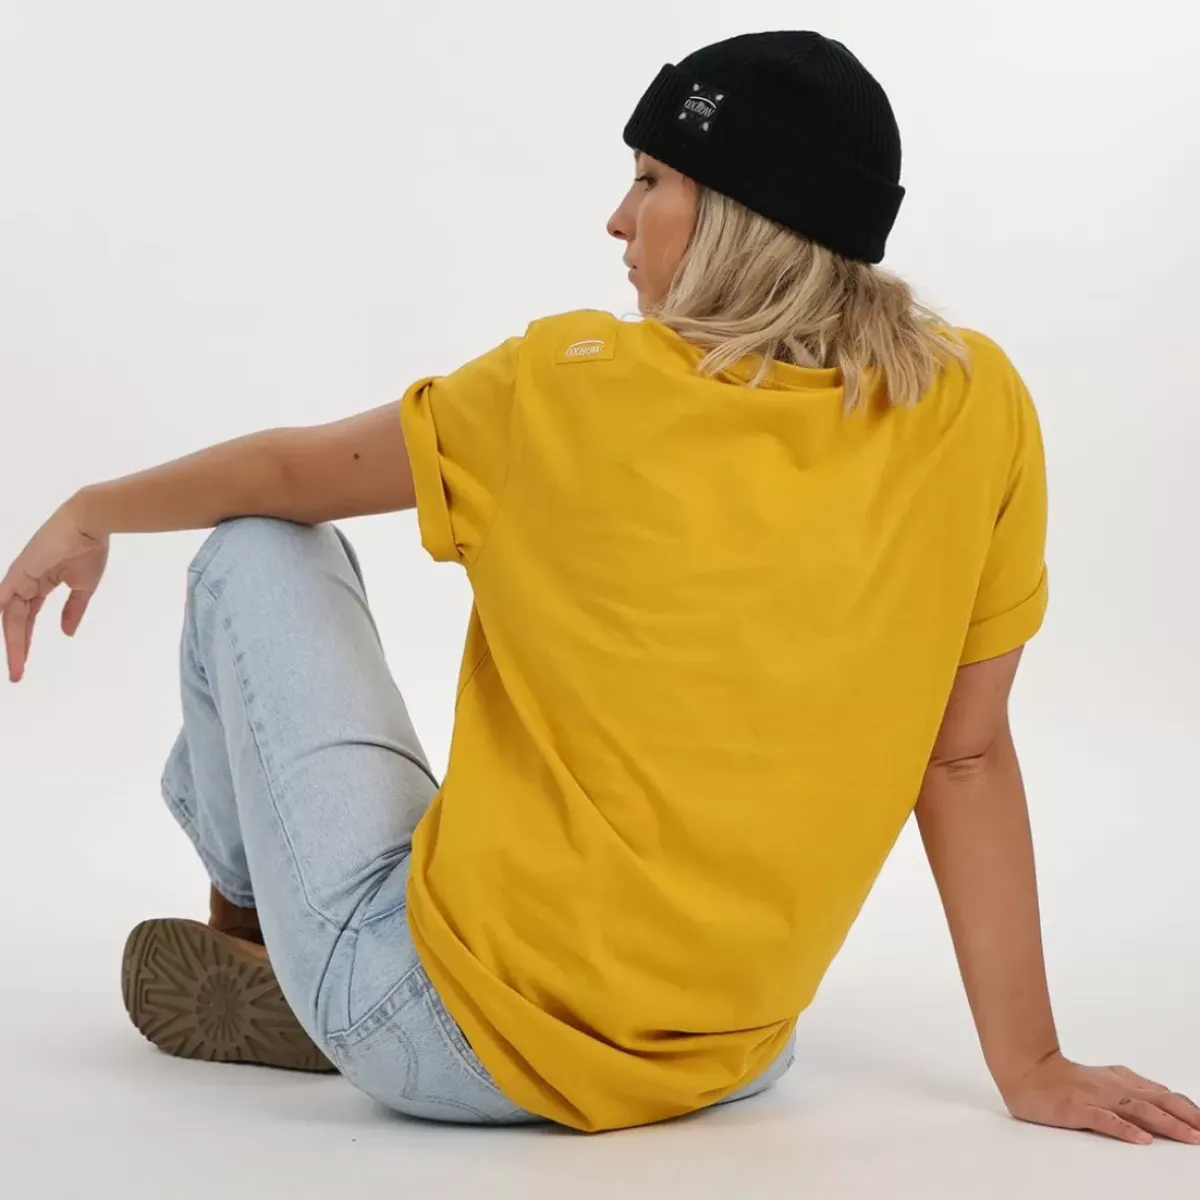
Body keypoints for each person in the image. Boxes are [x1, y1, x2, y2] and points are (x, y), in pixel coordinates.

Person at [2, 30, 1197, 1143]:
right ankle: (297, 959)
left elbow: (283, 474)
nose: (617, 218)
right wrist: (1033, 1062)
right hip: (730, 1056)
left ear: (738, 215)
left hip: (436, 1032)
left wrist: (91, 508)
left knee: (255, 550)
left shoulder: (567, 386)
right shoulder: (974, 406)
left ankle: (261, 934)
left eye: (651, 180)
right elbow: (965, 758)